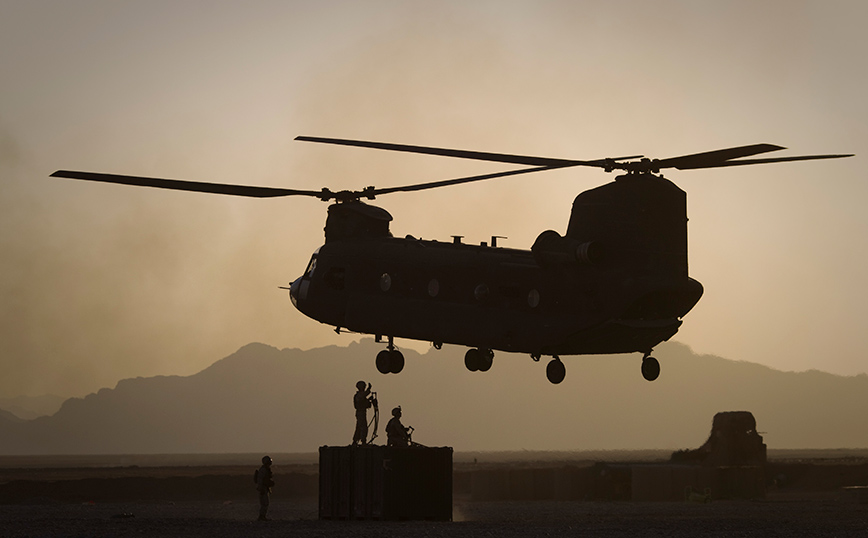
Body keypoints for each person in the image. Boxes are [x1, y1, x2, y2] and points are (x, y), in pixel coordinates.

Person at [352, 381, 373, 445]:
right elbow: (364, 394)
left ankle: (356, 440)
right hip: (360, 413)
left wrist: (369, 400)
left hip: (362, 412)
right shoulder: (358, 395)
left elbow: (364, 402)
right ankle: (363, 440)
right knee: (363, 427)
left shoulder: (360, 396)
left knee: (359, 427)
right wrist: (369, 389)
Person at [255, 455, 275, 521]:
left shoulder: (266, 469)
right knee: (265, 503)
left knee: (265, 503)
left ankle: (262, 516)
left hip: (265, 488)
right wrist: (261, 489)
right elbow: (260, 480)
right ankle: (262, 516)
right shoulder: (263, 470)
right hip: (263, 488)